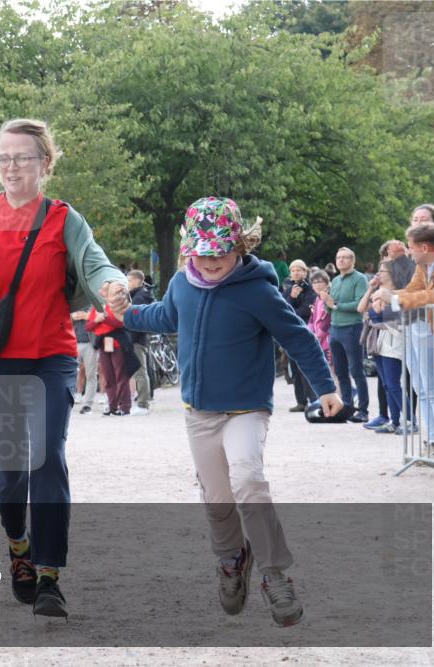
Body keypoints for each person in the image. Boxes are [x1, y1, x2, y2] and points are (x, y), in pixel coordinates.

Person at [118, 196, 342, 628]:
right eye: (203, 252)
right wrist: (126, 314)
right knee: (217, 499)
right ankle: (231, 560)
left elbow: (298, 338)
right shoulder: (183, 283)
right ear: (189, 251)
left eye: (220, 251)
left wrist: (326, 386)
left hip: (246, 409)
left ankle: (274, 574)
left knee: (248, 480)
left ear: (239, 244)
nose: (212, 259)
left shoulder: (258, 290)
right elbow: (164, 315)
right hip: (199, 412)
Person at [0, 119, 127, 617]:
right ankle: (17, 544)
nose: (11, 166)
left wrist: (112, 287)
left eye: (22, 157)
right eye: (3, 157)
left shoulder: (64, 218)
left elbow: (95, 264)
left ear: (45, 163)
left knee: (47, 457)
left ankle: (49, 575)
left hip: (51, 356)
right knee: (10, 470)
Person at [372, 221, 434, 454]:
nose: (409, 252)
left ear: (424, 248)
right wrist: (387, 295)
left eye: (411, 247)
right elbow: (413, 290)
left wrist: (394, 299)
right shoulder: (424, 264)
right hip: (433, 328)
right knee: (423, 388)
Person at [358, 260, 405, 434]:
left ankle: (409, 419)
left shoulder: (398, 293)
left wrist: (383, 301)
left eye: (383, 271)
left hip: (392, 338)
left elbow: (395, 315)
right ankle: (394, 420)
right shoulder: (378, 291)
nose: (379, 274)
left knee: (393, 384)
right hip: (378, 342)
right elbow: (361, 308)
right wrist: (371, 288)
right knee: (386, 384)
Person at [323, 247, 370, 422]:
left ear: (352, 260)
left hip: (352, 328)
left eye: (344, 257)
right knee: (340, 371)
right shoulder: (335, 280)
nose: (341, 260)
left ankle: (363, 410)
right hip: (335, 328)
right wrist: (327, 303)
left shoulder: (360, 279)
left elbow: (359, 304)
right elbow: (330, 306)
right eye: (338, 257)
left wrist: (335, 305)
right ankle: (347, 406)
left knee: (356, 370)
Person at [87, 303, 138, 416]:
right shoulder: (98, 307)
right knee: (108, 376)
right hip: (103, 344)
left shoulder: (118, 305)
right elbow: (89, 326)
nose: (103, 293)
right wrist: (96, 320)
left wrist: (104, 318)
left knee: (121, 375)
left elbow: (120, 323)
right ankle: (112, 406)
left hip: (118, 344)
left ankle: (124, 407)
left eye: (106, 291)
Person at [281, 260, 317, 412]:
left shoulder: (311, 289)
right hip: (291, 333)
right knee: (294, 368)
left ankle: (313, 399)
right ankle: (301, 401)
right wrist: (291, 298)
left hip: (307, 330)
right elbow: (281, 309)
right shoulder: (288, 290)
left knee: (307, 367)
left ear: (305, 272)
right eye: (293, 270)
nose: (296, 272)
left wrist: (292, 309)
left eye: (299, 270)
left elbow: (306, 311)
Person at [126, 270, 154, 415]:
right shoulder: (142, 295)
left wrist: (129, 340)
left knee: (140, 372)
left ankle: (143, 404)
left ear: (137, 281)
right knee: (143, 371)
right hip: (141, 339)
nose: (127, 284)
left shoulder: (138, 298)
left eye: (129, 280)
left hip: (137, 340)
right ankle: (145, 401)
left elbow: (135, 322)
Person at [69, 308, 98, 414]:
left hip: (90, 344)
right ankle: (71, 398)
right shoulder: (74, 303)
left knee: (91, 374)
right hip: (74, 342)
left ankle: (87, 404)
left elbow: (102, 316)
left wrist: (87, 315)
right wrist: (72, 316)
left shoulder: (92, 303)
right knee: (70, 373)